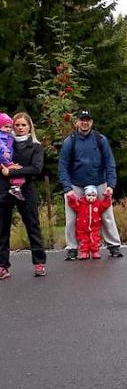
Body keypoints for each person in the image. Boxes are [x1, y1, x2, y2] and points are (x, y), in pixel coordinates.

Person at [57, 109, 122, 260]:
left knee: (106, 215)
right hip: (76, 184)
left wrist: (110, 185)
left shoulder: (100, 139)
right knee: (72, 217)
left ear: (91, 122)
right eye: (82, 119)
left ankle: (114, 246)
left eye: (88, 120)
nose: (85, 123)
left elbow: (110, 163)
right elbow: (63, 167)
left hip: (99, 182)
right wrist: (67, 189)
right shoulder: (70, 141)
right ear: (77, 122)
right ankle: (72, 248)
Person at [0, 112, 47, 279]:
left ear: (29, 127)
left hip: (26, 190)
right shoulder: (5, 143)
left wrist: (11, 171)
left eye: (23, 125)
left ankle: (39, 263)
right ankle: (2, 266)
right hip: (5, 190)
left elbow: (36, 169)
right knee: (2, 229)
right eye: (17, 125)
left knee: (33, 226)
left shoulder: (36, 146)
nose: (19, 128)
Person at [67, 185, 112, 259]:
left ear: (96, 196)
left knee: (95, 239)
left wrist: (107, 197)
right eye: (89, 195)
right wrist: (71, 199)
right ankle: (84, 252)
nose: (91, 197)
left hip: (94, 226)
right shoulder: (81, 203)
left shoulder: (98, 204)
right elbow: (74, 205)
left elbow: (105, 205)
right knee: (83, 240)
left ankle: (95, 252)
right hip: (82, 227)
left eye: (93, 195)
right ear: (85, 195)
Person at [0, 113, 26, 201]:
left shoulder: (9, 136)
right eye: (5, 127)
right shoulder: (1, 136)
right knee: (16, 169)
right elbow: (1, 146)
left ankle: (15, 187)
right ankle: (15, 188)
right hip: (3, 159)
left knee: (18, 169)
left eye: (10, 127)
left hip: (7, 159)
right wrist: (6, 153)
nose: (8, 129)